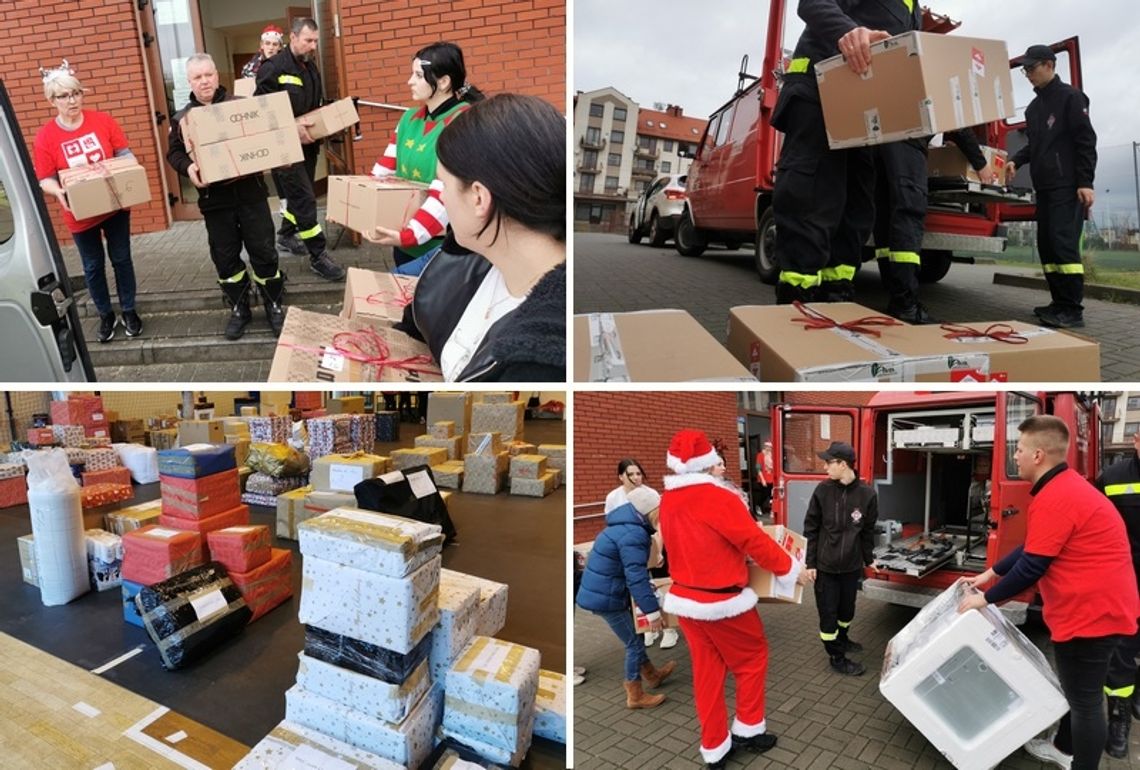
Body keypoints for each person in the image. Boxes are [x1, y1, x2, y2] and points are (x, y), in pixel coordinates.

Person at [958, 415, 1138, 770]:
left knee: (1086, 701)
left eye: (1020, 449)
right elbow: (1032, 547)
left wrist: (985, 599)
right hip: (1100, 607)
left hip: (1092, 614)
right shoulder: (1064, 487)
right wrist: (991, 573)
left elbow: (1031, 568)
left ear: (1038, 455)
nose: (1016, 457)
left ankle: (1079, 761)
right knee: (1080, 693)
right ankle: (1064, 747)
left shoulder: (1058, 496)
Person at [390, 94, 565, 382]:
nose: (441, 197)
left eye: (443, 184)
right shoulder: (469, 253)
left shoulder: (542, 359)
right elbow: (416, 326)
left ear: (479, 198)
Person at [659, 429, 805, 769]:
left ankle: (715, 748)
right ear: (708, 462)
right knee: (752, 660)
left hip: (686, 600)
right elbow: (754, 540)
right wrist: (790, 568)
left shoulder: (669, 498)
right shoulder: (718, 498)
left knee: (707, 674)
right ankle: (748, 731)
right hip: (722, 602)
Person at [770, 1, 904, 304]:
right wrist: (848, 31)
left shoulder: (912, 6)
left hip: (866, 107)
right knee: (812, 202)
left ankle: (837, 298)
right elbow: (813, 3)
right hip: (819, 91)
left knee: (856, 209)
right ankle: (795, 304)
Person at [166, 54, 288, 340]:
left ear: (217, 75)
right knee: (225, 258)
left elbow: (265, 138)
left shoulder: (241, 107)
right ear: (189, 82)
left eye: (208, 74)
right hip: (214, 201)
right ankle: (239, 308)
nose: (204, 81)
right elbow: (174, 153)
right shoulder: (182, 119)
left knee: (264, 252)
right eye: (197, 77)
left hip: (251, 195)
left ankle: (273, 304)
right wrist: (189, 166)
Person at [33, 60, 143, 344]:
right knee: (93, 266)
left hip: (114, 206)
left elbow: (124, 153)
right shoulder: (46, 136)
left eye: (76, 93)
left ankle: (129, 310)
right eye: (64, 96)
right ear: (51, 100)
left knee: (121, 259)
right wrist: (57, 192)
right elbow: (45, 178)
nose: (72, 101)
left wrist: (126, 169)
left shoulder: (102, 121)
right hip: (79, 213)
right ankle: (105, 315)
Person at [367, 42, 484, 277]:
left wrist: (408, 235)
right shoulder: (409, 118)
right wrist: (354, 204)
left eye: (418, 75)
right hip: (404, 239)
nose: (410, 81)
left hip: (443, 246)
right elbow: (384, 169)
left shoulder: (463, 124)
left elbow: (445, 193)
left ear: (443, 82)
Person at [1007, 44, 1097, 329]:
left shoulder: (1071, 97)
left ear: (1049, 64)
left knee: (1063, 244)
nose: (1028, 74)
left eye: (1031, 69)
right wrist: (1016, 161)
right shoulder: (1034, 108)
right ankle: (1058, 302)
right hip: (1044, 186)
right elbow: (1036, 145)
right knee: (1047, 245)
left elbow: (1085, 141)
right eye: (1025, 70)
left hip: (1067, 184)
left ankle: (1072, 309)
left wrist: (1085, 182)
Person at [255, 17, 346, 281]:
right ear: (293, 38)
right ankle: (318, 256)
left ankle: (284, 235)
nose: (312, 46)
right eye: (308, 40)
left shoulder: (310, 67)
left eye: (315, 41)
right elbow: (260, 112)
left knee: (299, 196)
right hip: (284, 149)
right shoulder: (272, 68)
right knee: (305, 199)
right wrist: (290, 126)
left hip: (308, 145)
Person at [873, 129, 994, 324]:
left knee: (886, 218)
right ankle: (905, 304)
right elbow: (958, 123)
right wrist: (981, 163)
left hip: (879, 146)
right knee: (909, 215)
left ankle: (894, 291)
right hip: (908, 141)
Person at [576, 486, 678, 710]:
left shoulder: (623, 527)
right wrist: (652, 613)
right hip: (606, 597)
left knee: (635, 638)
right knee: (634, 642)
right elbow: (636, 577)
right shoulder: (634, 535)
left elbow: (631, 570)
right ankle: (635, 694)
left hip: (604, 591)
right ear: (651, 512)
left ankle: (652, 675)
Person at [802, 441, 878, 676]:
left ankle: (843, 638)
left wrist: (868, 559)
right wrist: (810, 563)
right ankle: (836, 656)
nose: (825, 467)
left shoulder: (867, 494)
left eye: (828, 462)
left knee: (847, 611)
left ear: (843, 464)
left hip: (850, 567)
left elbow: (867, 531)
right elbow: (811, 528)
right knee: (829, 614)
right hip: (825, 567)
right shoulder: (823, 491)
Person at [1094, 430, 1140, 759]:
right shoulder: (1111, 477)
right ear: (1137, 439)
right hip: (1124, 582)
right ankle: (1118, 716)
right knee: (1122, 650)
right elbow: (1088, 523)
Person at [604, 459, 679, 650]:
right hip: (631, 548)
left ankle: (669, 628)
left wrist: (659, 551)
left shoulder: (650, 494)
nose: (636, 477)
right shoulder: (614, 497)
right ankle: (647, 627)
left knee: (661, 583)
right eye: (631, 474)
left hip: (654, 545)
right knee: (639, 586)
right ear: (621, 476)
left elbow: (660, 525)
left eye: (639, 473)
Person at [754, 441, 774, 516]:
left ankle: (772, 510)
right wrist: (762, 479)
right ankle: (758, 506)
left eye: (770, 447)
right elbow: (758, 468)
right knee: (764, 494)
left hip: (771, 478)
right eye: (767, 447)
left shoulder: (772, 456)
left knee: (772, 495)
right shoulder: (760, 455)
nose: (769, 448)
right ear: (765, 447)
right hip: (763, 478)